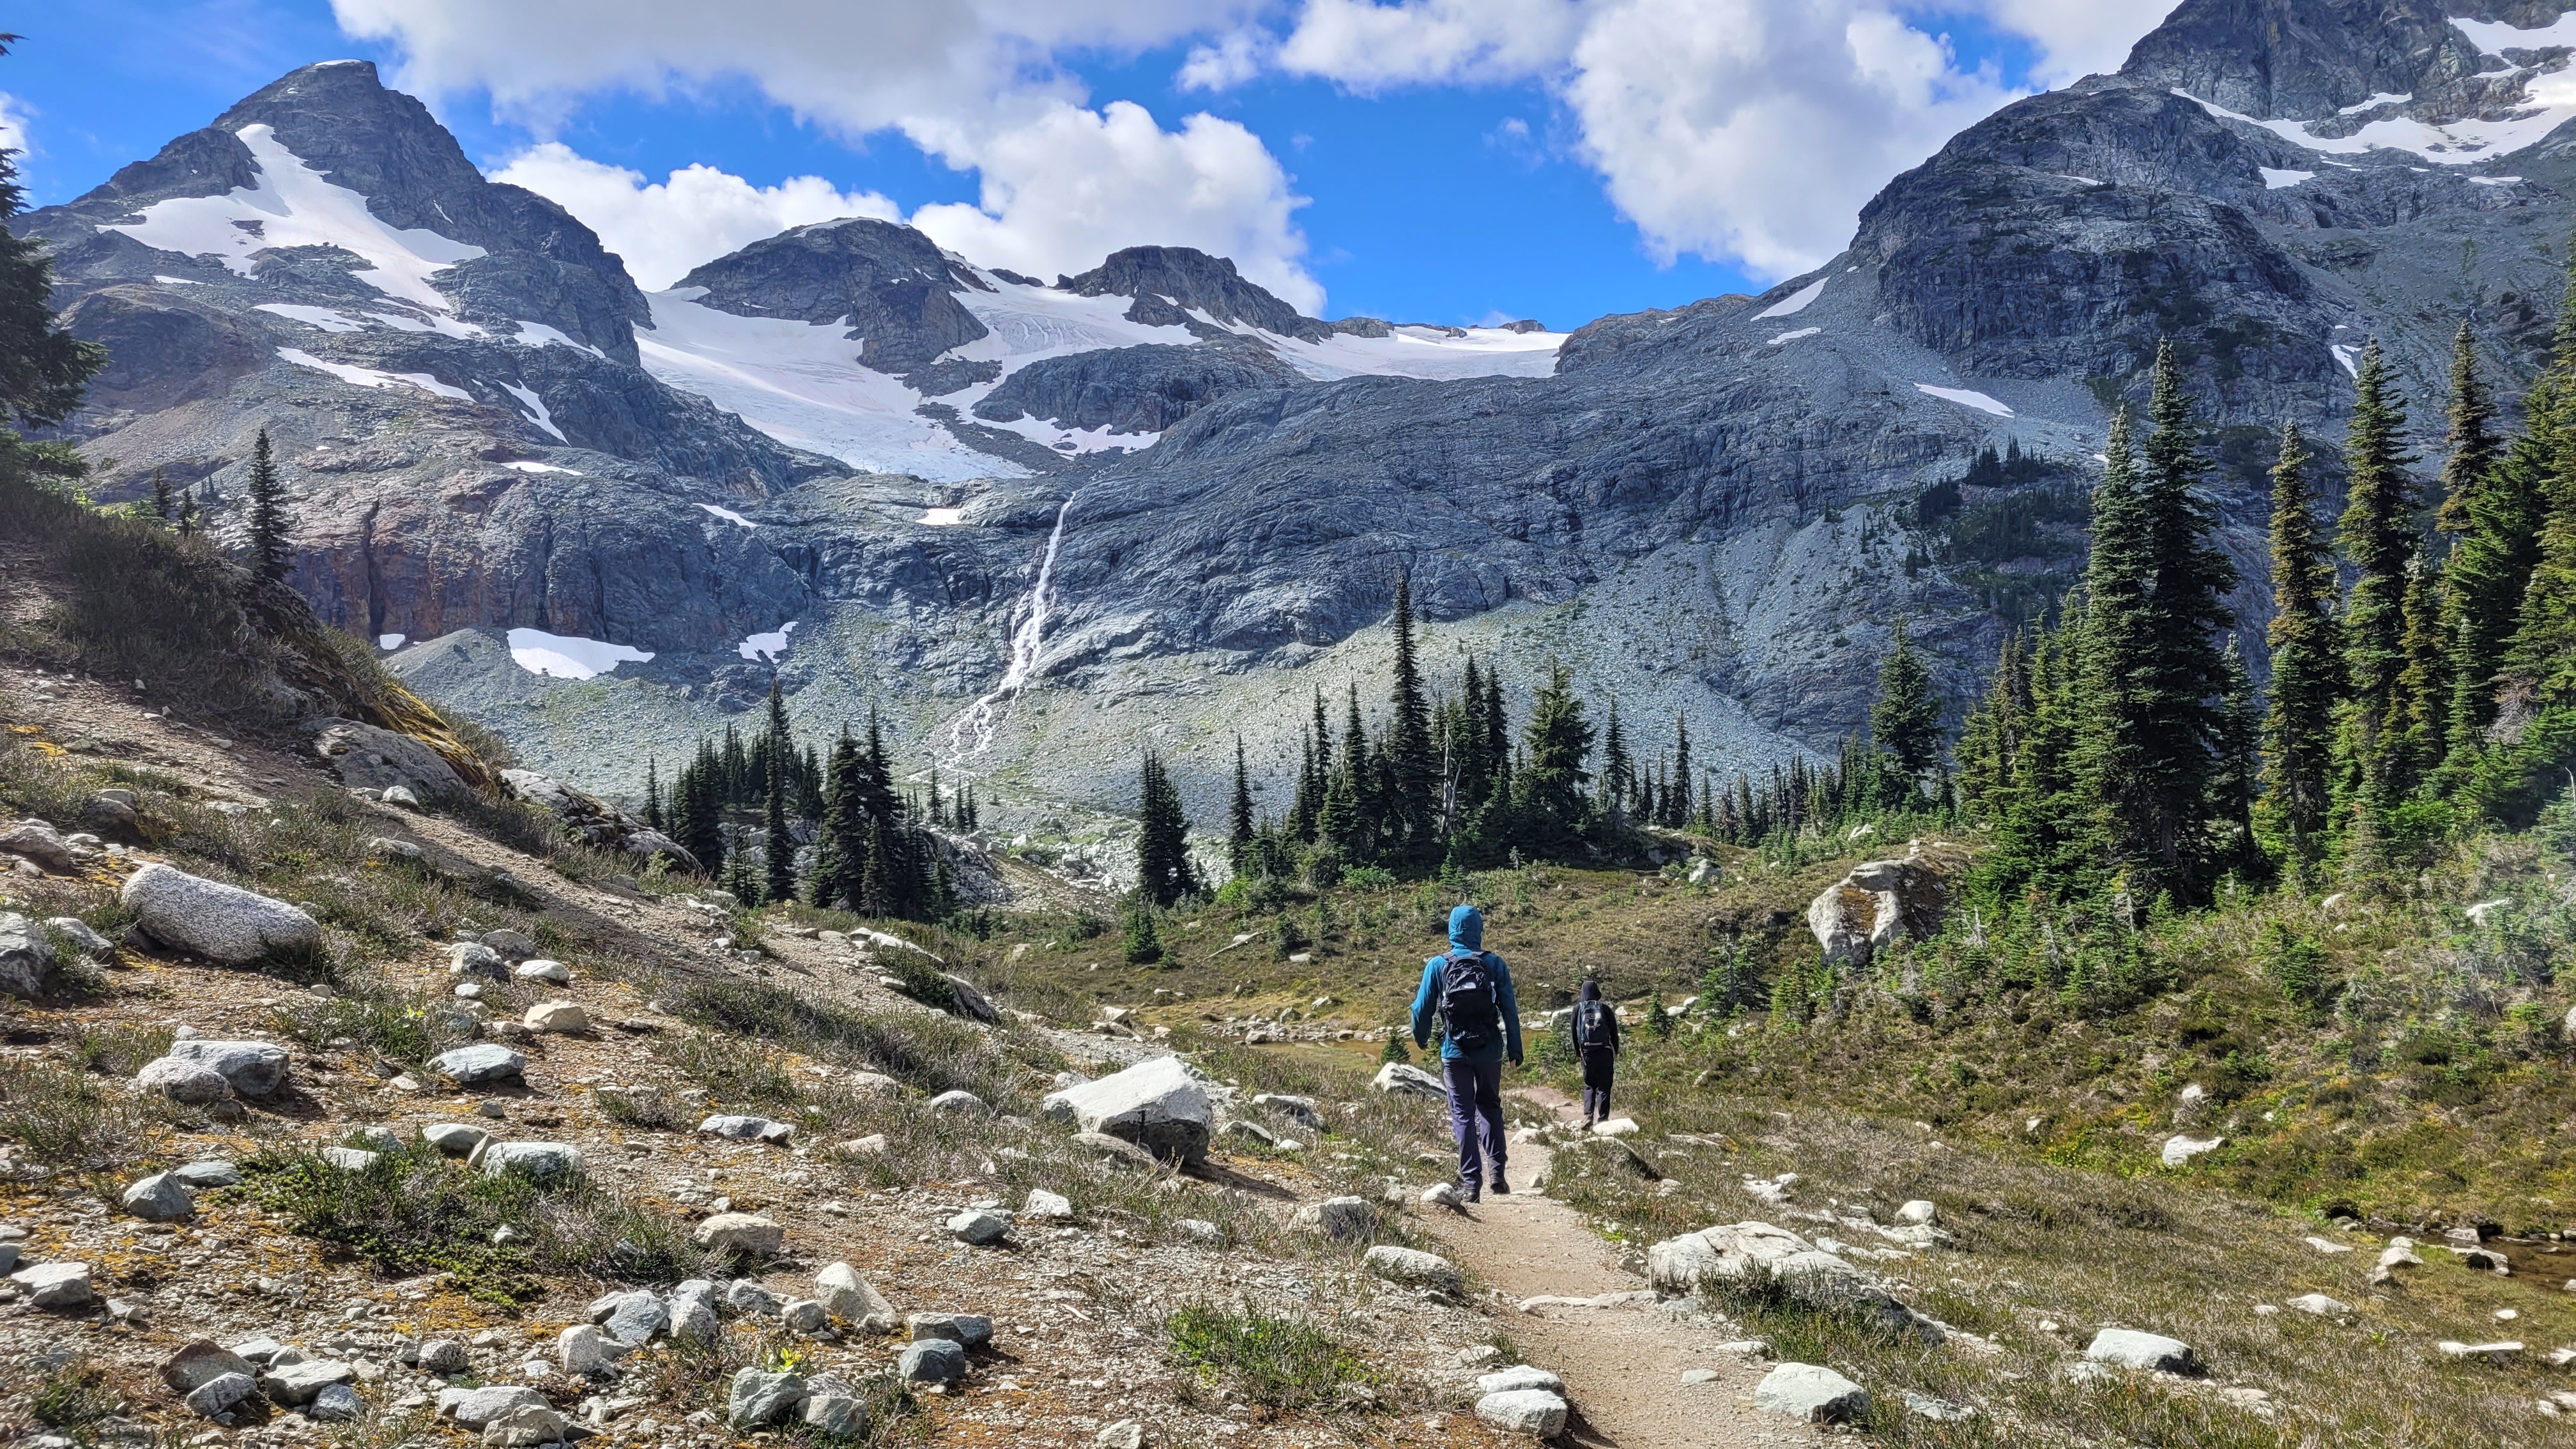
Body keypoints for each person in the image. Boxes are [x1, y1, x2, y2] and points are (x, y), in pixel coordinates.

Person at [1412, 903, 1522, 1202]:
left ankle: (1472, 1183)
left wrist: (1421, 1038)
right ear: (1479, 930)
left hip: (1454, 1050)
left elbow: (1422, 1009)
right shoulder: (1494, 963)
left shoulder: (1438, 965)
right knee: (1489, 1106)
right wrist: (1515, 1049)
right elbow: (1509, 1009)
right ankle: (1498, 1174)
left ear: (1451, 930)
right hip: (1489, 1051)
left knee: (1463, 1114)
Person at [1571, 977, 1621, 1127]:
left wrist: (1578, 1053)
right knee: (1604, 1086)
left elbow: (1574, 1033)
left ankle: (1588, 1116)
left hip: (1587, 1052)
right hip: (1605, 1051)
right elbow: (1614, 1032)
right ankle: (1603, 1119)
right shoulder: (1605, 1009)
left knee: (1590, 1085)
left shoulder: (1578, 1009)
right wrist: (1615, 1051)